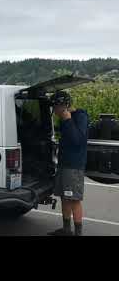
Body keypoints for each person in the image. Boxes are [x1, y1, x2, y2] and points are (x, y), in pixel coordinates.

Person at [48, 91, 89, 236]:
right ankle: (66, 229)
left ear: (64, 106)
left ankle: (78, 233)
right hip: (64, 164)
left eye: (56, 108)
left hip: (74, 166)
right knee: (65, 197)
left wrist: (67, 120)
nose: (55, 112)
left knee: (74, 199)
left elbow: (78, 141)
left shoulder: (80, 116)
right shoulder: (64, 119)